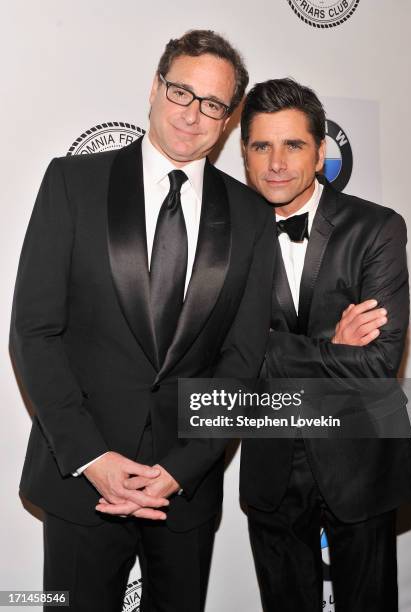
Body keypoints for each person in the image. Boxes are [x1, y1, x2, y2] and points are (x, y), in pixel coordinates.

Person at [9, 30, 277, 612]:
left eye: (213, 104)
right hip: (81, 482)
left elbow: (242, 361)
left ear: (229, 119)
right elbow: (34, 331)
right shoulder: (73, 183)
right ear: (155, 89)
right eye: (182, 92)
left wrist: (179, 469)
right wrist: (92, 458)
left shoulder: (254, 217)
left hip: (185, 491)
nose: (192, 114)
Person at [239, 77, 411, 612]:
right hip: (271, 458)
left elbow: (377, 362)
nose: (276, 162)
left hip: (362, 456)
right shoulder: (223, 238)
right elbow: (224, 357)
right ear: (245, 154)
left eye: (293, 144)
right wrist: (332, 346)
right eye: (261, 146)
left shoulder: (378, 228)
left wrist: (270, 347)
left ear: (321, 153)